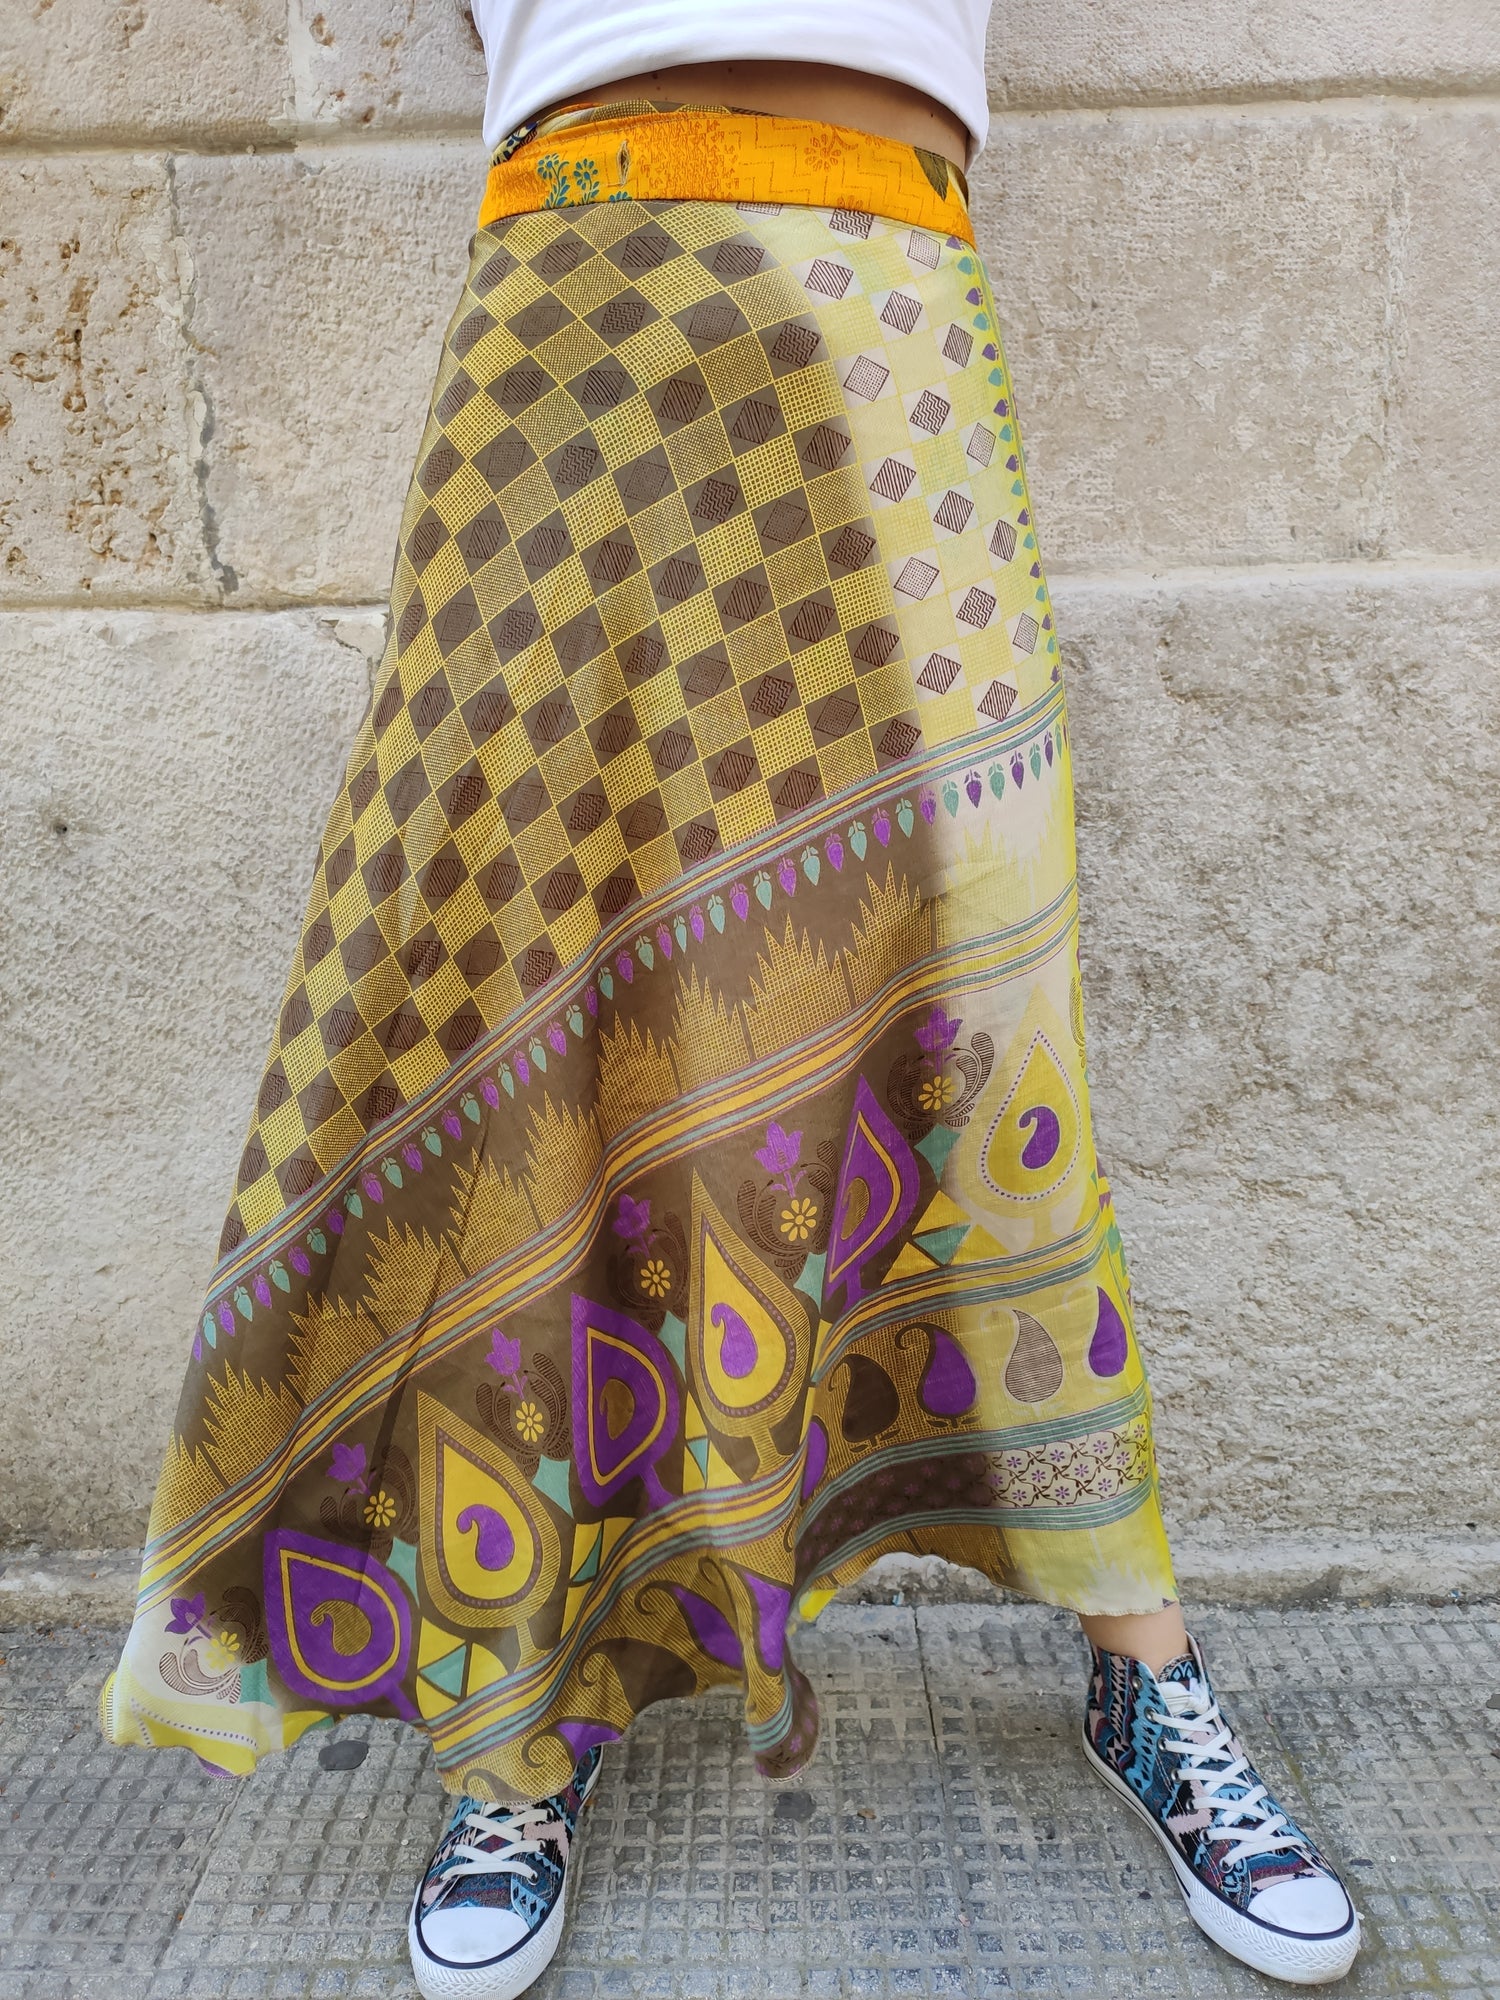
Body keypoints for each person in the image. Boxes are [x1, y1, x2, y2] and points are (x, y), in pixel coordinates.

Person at [100, 3, 1362, 1994]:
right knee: (522, 994)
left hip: (889, 321)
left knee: (983, 1005)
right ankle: (519, 1723)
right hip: (573, 327)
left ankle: (1141, 1664)